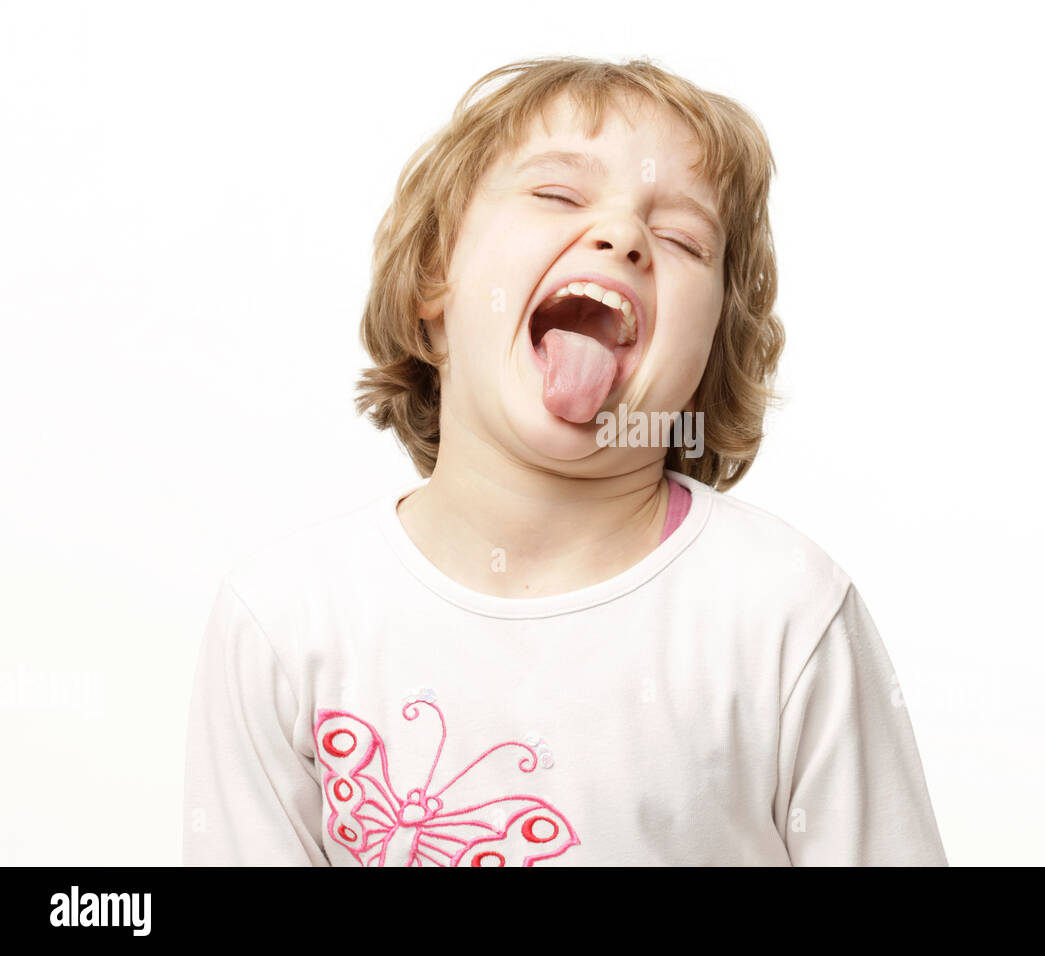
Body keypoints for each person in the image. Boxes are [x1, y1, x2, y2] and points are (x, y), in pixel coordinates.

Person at [182, 56, 947, 867]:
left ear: (708, 356)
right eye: (557, 196)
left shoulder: (784, 611)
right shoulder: (285, 620)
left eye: (684, 238)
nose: (622, 236)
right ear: (432, 287)